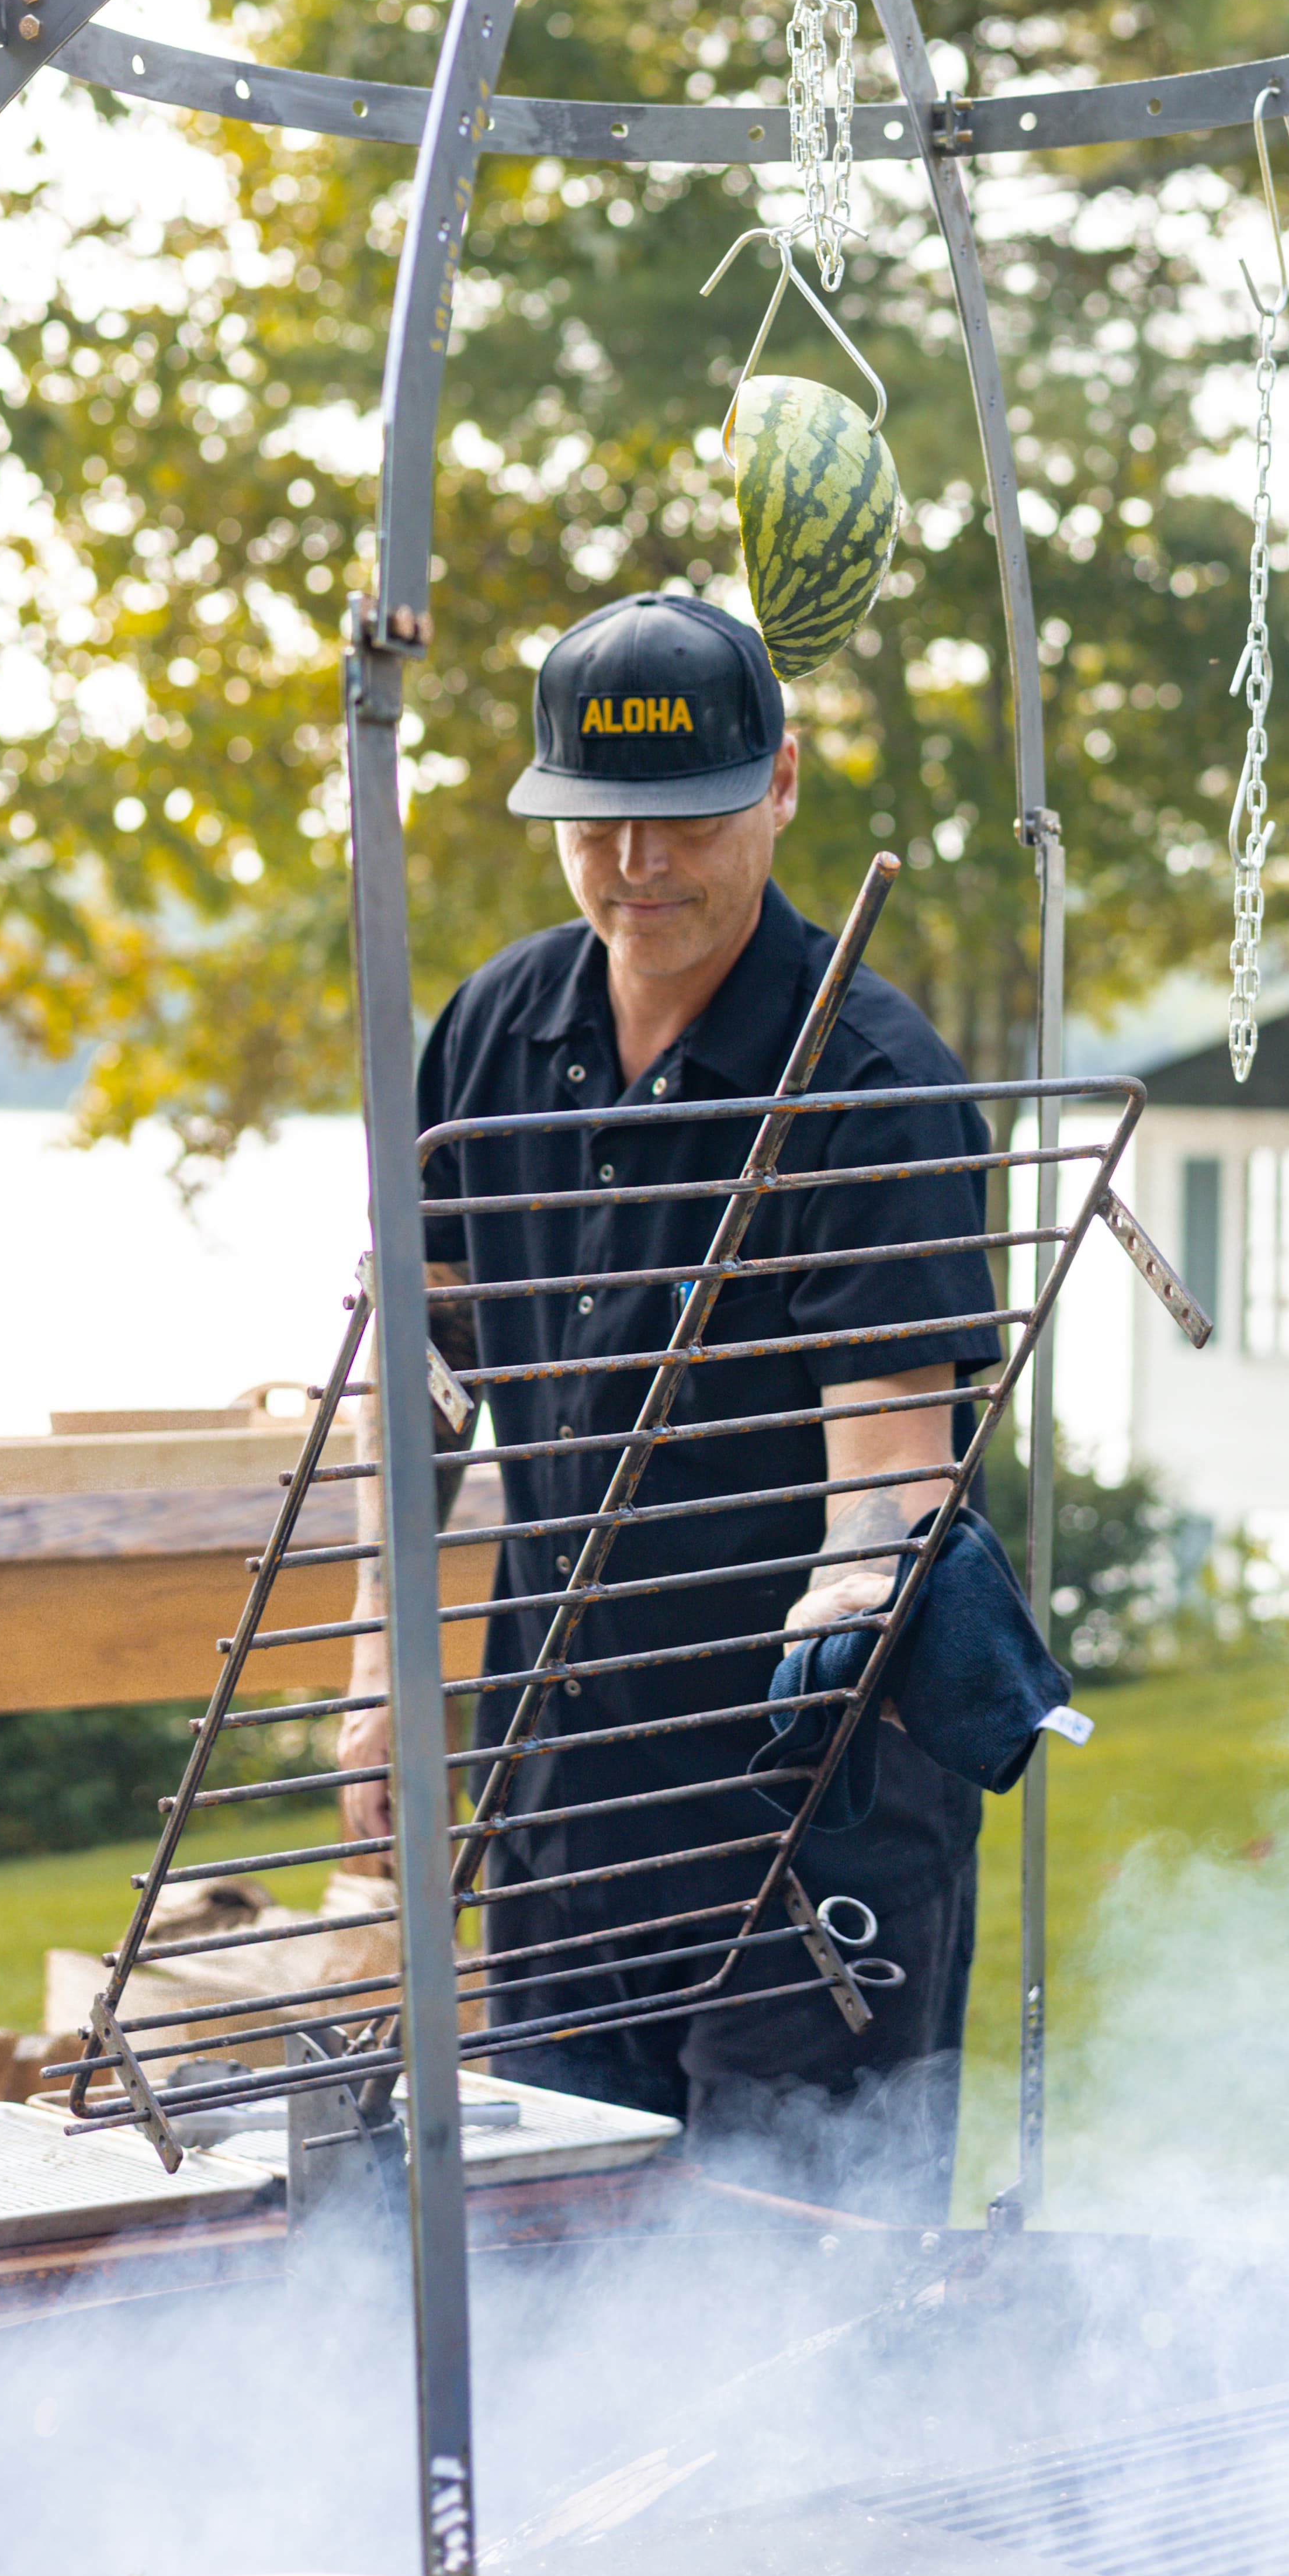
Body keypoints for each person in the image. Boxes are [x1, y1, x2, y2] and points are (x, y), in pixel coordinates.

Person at [338, 589, 1002, 2217]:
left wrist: (837, 1650)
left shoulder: (872, 1084)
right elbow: (417, 1389)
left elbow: (888, 1493)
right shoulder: (497, 1031)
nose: (639, 866)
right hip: (565, 1792)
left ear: (778, 786)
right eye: (598, 824)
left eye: (684, 818)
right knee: (558, 2260)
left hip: (805, 1810)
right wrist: (384, 1675)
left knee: (791, 2289)